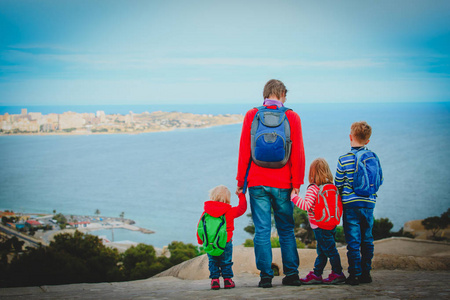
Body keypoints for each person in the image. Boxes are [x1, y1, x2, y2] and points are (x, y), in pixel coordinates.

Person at [236, 79, 305, 288]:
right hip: (284, 183)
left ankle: (266, 276)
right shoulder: (292, 116)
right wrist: (297, 182)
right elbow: (298, 152)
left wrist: (241, 181)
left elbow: (244, 150)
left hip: (257, 182)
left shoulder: (252, 114)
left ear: (265, 94)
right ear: (282, 94)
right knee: (286, 230)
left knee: (262, 230)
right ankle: (292, 274)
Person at [335, 121, 379, 285]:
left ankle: (354, 274)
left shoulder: (344, 159)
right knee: (367, 239)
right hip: (368, 204)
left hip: (350, 205)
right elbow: (378, 180)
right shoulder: (372, 158)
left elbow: (338, 183)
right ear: (368, 141)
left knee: (353, 241)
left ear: (350, 137)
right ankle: (366, 273)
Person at [291, 158, 346, 284]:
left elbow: (306, 205)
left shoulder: (313, 188)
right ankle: (317, 274)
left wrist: (293, 197)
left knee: (330, 250)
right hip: (331, 224)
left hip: (319, 226)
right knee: (322, 251)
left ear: (312, 173)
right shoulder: (332, 187)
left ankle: (338, 273)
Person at [197, 185, 247, 290]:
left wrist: (201, 240)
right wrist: (241, 195)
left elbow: (201, 227)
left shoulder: (206, 212)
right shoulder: (229, 211)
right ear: (228, 198)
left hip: (210, 242)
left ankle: (214, 281)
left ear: (212, 196)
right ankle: (227, 280)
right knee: (226, 261)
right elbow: (242, 209)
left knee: (213, 261)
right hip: (226, 242)